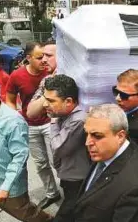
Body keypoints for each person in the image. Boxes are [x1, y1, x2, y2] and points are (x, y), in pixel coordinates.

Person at [73, 104, 138, 221]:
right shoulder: (106, 151)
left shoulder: (136, 188)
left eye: (97, 136)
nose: (88, 142)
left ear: (120, 136)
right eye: (86, 133)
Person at [0, 78, 53, 222]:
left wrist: (6, 187)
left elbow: (20, 156)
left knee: (30, 216)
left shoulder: (13, 121)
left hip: (6, 187)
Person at [6, 42, 61, 209]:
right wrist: (16, 117)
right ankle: (52, 193)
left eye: (47, 56)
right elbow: (9, 99)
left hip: (49, 123)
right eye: (39, 57)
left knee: (56, 160)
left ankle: (72, 194)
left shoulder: (50, 72)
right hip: (29, 125)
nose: (44, 60)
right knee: (40, 163)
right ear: (28, 58)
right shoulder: (17, 76)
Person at [43, 75, 91, 221]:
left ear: (69, 101)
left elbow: (57, 147)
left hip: (77, 179)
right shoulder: (64, 115)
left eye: (51, 101)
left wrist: (53, 122)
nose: (45, 104)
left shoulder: (77, 120)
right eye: (45, 98)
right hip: (68, 173)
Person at [113, 69, 138, 161]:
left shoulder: (137, 128)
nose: (117, 98)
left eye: (124, 95)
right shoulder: (133, 109)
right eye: (116, 91)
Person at [27, 40, 57, 119]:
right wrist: (50, 88)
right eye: (43, 56)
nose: (43, 60)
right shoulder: (47, 80)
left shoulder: (78, 79)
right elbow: (30, 113)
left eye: (49, 56)